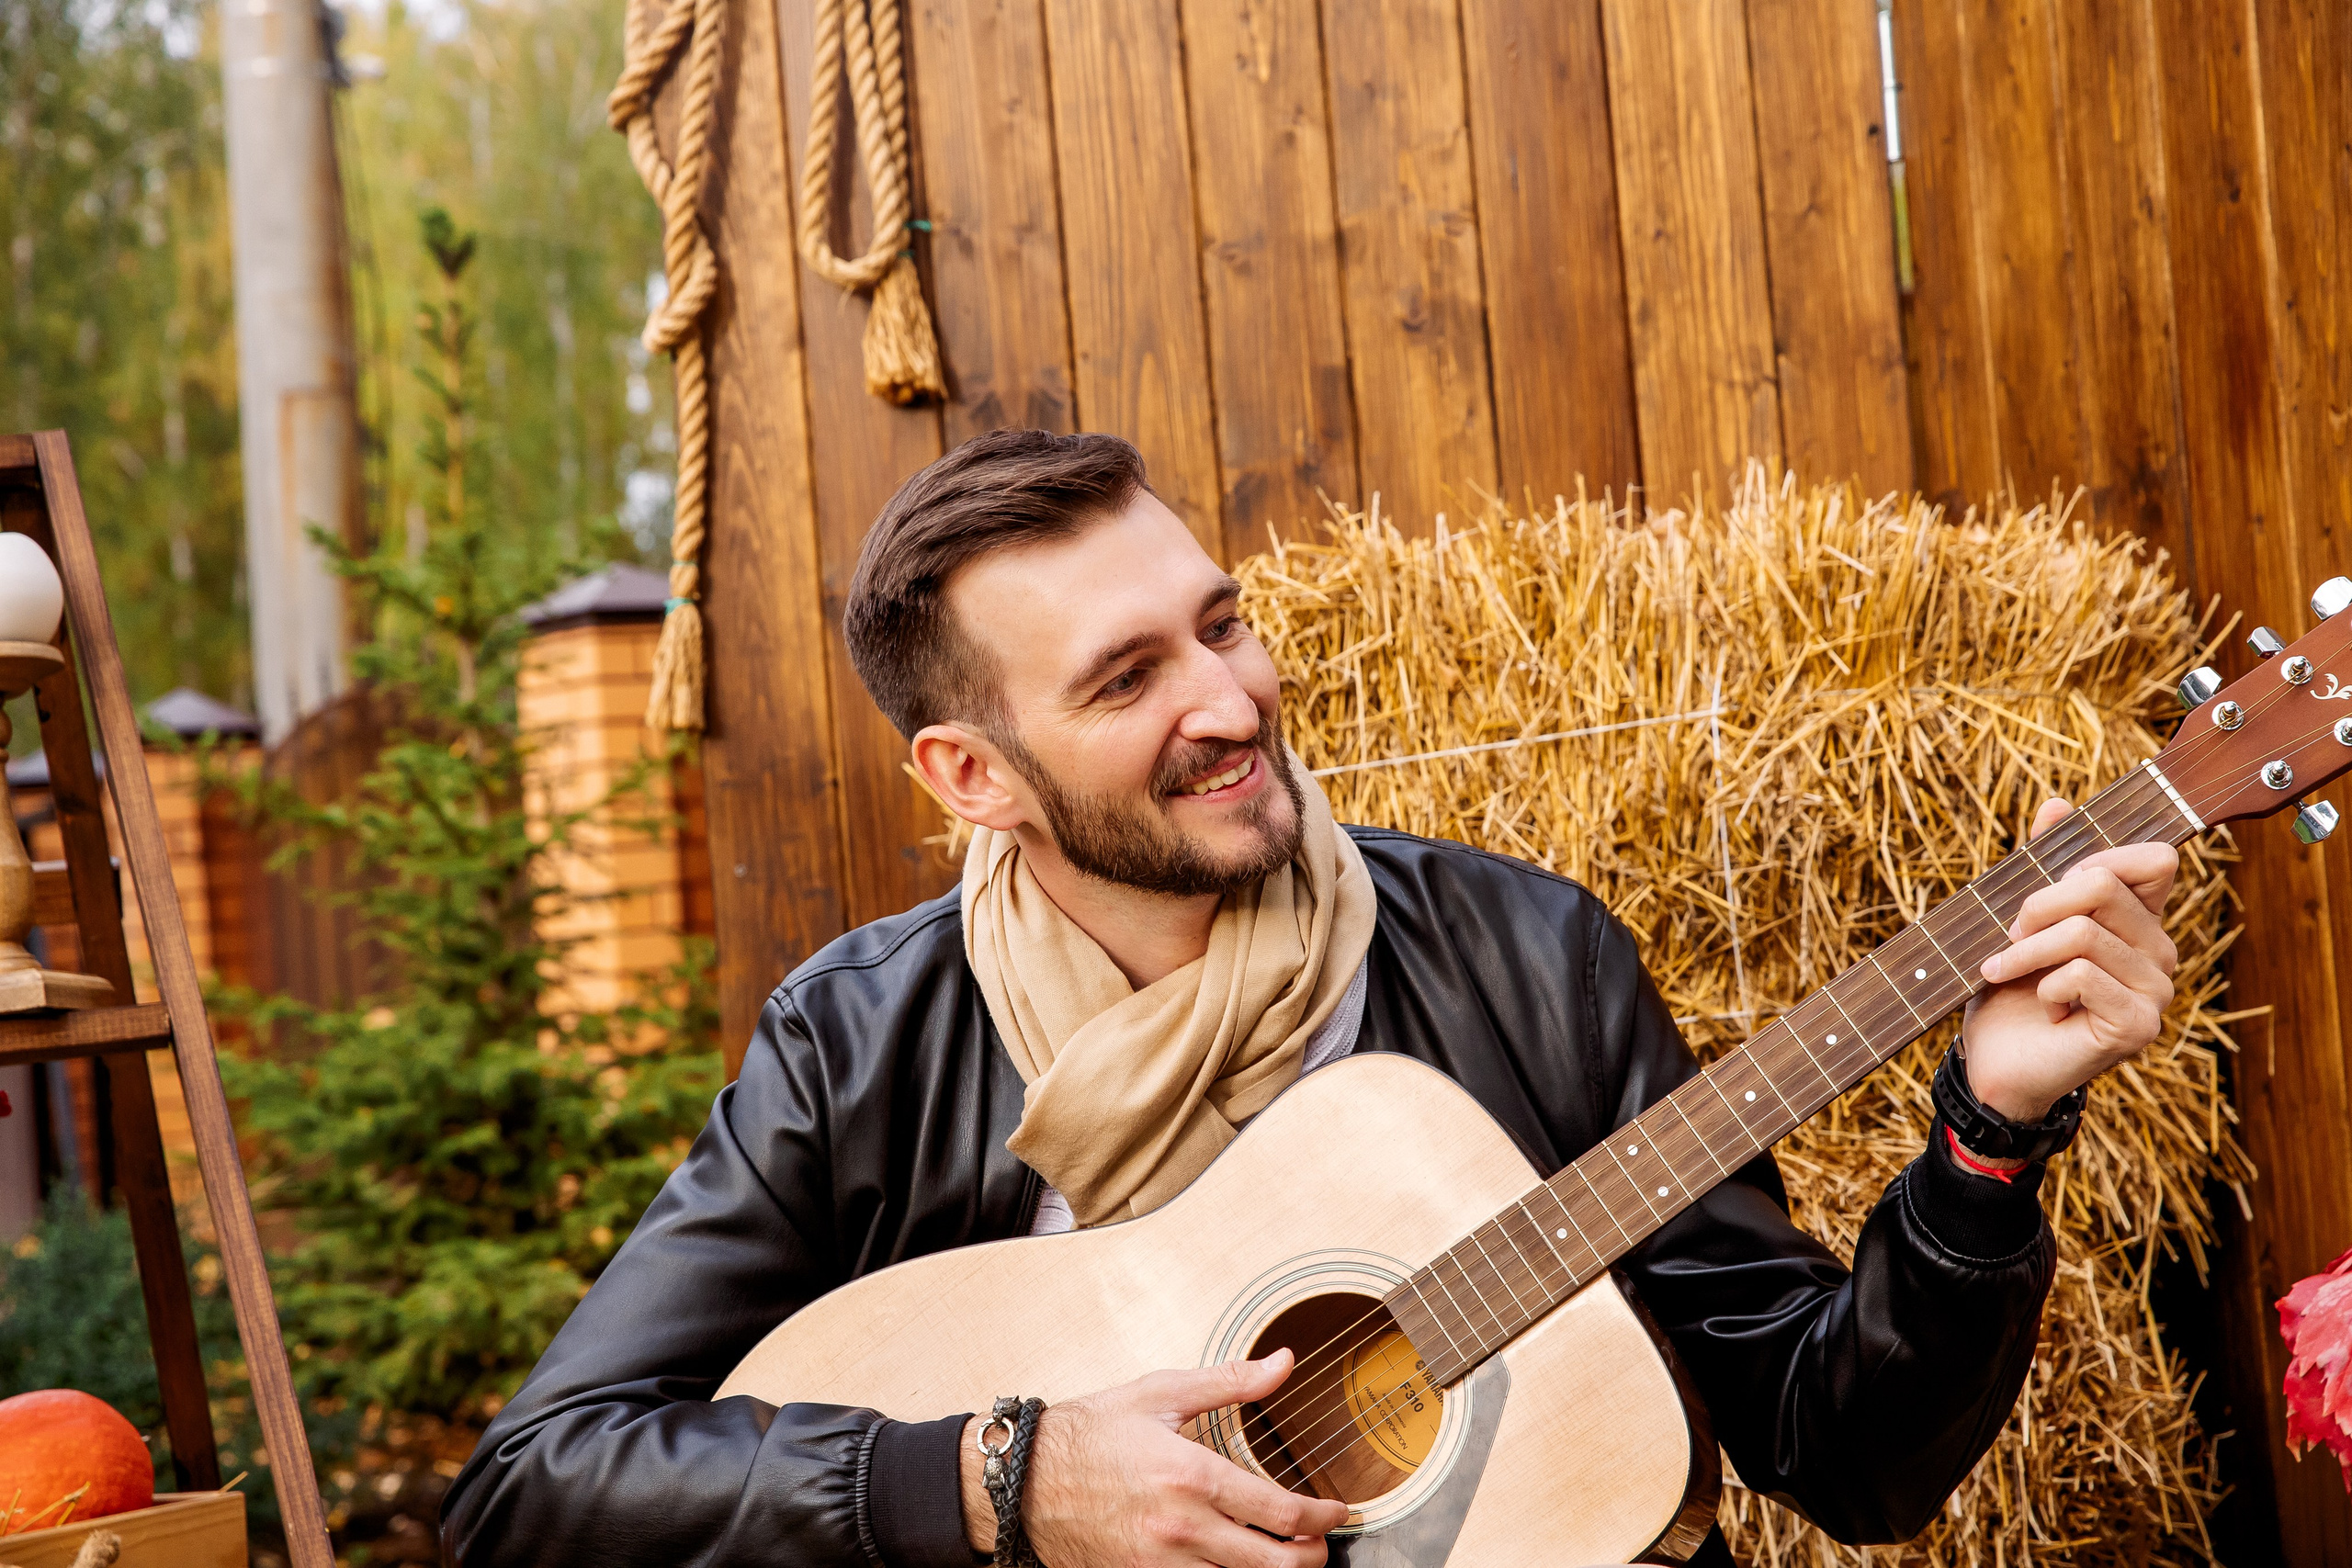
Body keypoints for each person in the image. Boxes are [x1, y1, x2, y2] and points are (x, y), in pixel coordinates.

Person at [440, 430, 2178, 1567]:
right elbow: (535, 1490)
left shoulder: (1524, 955)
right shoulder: (861, 1046)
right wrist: (1005, 1479)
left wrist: (1991, 1132)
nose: (1231, 700)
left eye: (1223, 624)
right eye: (1130, 677)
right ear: (973, 774)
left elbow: (1847, 1457)